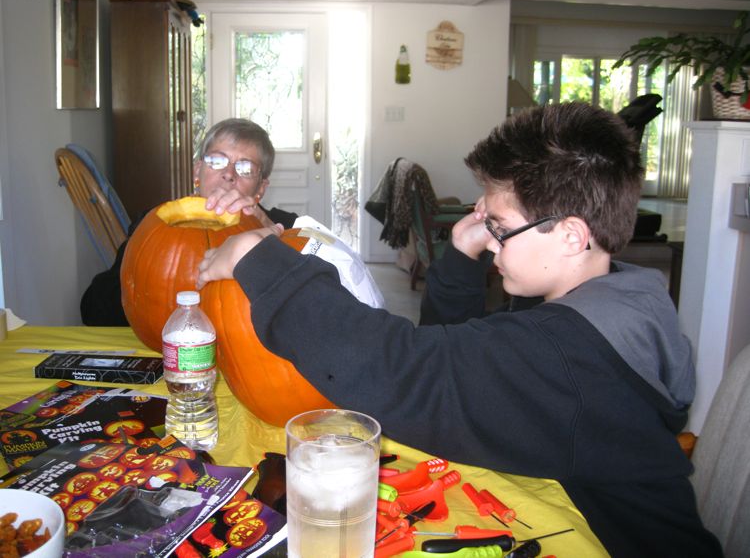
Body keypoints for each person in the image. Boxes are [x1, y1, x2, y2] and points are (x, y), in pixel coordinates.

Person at [195, 103, 721, 557]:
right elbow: (460, 353)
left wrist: (260, 262)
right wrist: (466, 256)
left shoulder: (570, 358)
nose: (491, 240)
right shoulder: (602, 303)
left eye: (499, 228)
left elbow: (401, 372)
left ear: (569, 236)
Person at [80, 118, 296, 326]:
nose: (229, 174)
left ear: (261, 188)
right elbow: (94, 311)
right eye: (217, 161)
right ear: (197, 172)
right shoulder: (156, 225)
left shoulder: (285, 226)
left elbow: (318, 301)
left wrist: (275, 239)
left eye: (245, 168)